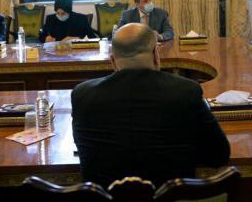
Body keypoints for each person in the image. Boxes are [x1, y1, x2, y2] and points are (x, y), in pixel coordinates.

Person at [71, 23, 230, 186]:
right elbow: (219, 155)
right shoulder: (185, 91)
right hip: (172, 196)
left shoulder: (82, 94)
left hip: (104, 195)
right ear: (155, 54)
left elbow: (83, 148)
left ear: (113, 61)